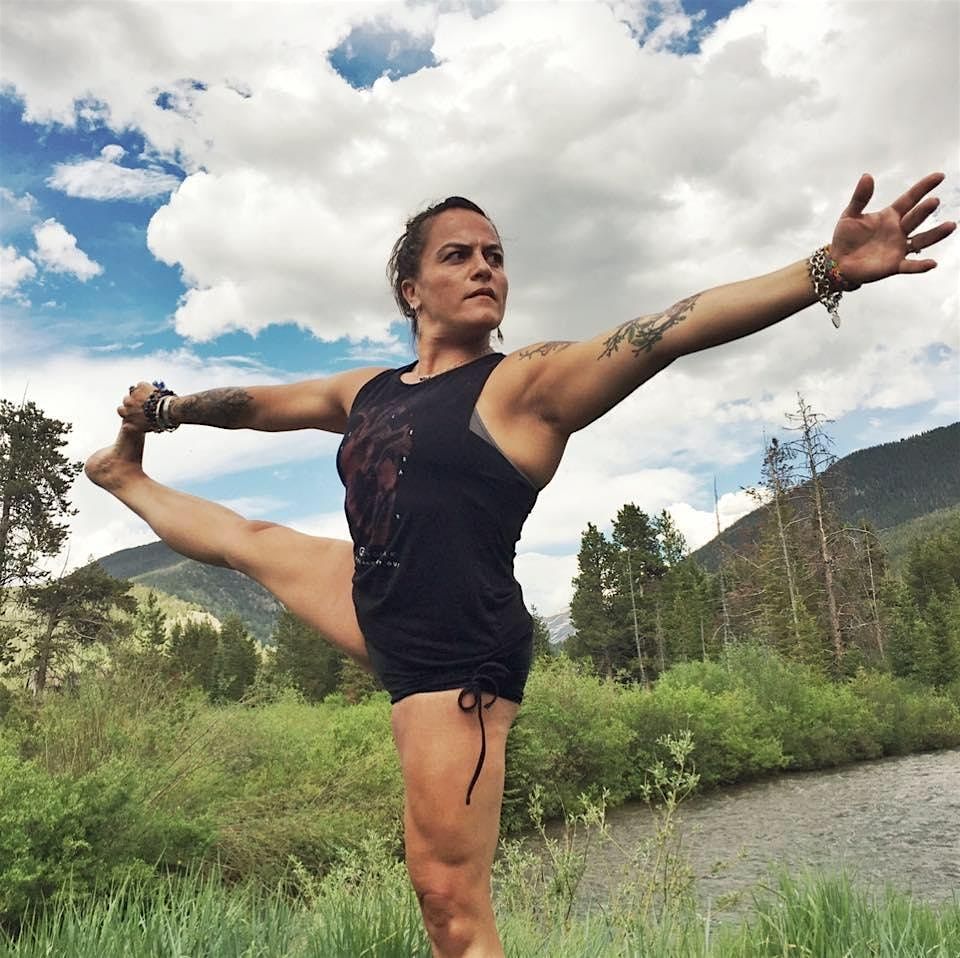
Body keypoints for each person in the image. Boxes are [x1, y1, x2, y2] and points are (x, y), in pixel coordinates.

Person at [86, 172, 954, 957]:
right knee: (254, 542)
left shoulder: (525, 384)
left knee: (448, 903)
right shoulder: (369, 391)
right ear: (410, 288)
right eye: (457, 255)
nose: (483, 268)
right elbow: (258, 406)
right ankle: (120, 474)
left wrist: (823, 271)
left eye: (495, 257)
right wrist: (165, 410)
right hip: (376, 596)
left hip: (455, 648)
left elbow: (667, 331)